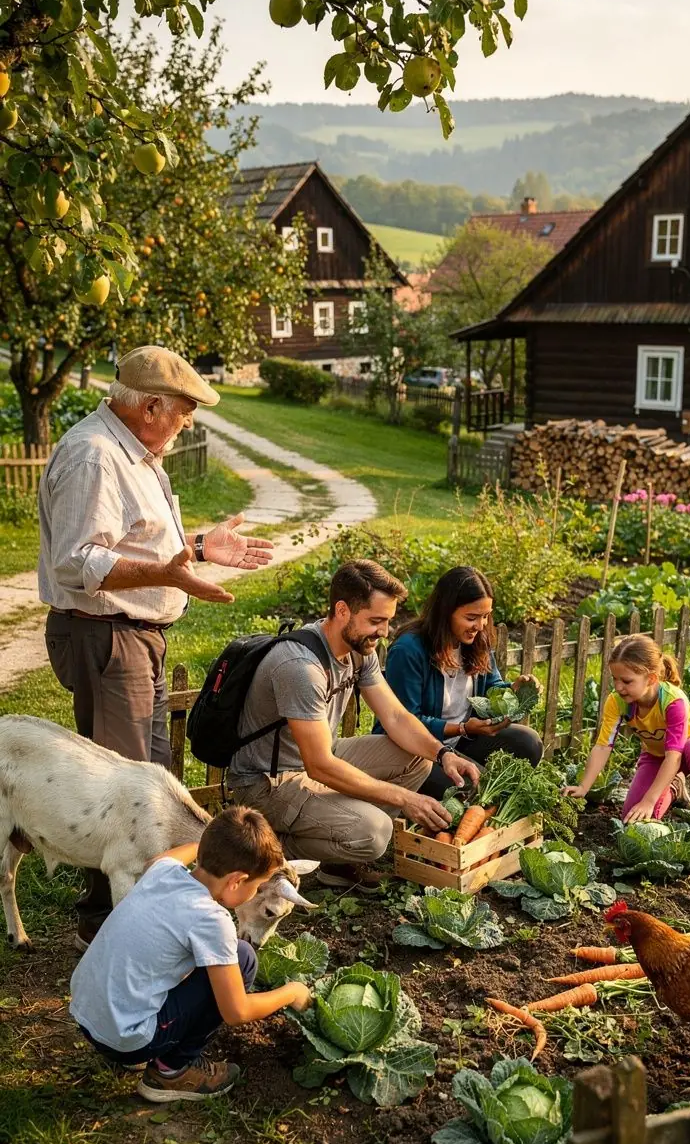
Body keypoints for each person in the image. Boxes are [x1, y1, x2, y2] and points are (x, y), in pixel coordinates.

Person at [38, 345, 279, 947]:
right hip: (107, 635)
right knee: (122, 788)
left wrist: (196, 548)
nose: (189, 422)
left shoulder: (136, 452)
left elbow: (137, 542)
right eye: (185, 410)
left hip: (135, 635)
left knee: (147, 775)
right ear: (150, 406)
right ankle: (108, 925)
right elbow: (80, 562)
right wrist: (170, 574)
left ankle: (141, 902)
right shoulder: (94, 456)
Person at [227, 558, 481, 889]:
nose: (385, 631)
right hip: (267, 783)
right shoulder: (300, 667)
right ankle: (266, 848)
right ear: (343, 611)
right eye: (376, 620)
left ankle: (339, 860)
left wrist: (443, 753)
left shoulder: (359, 649)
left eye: (388, 621)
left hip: (314, 762)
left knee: (417, 757)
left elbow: (395, 716)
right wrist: (403, 799)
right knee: (375, 833)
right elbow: (320, 766)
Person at [69, 806, 311, 1102]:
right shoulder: (212, 920)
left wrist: (213, 844)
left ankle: (134, 1040)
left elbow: (162, 857)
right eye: (257, 885)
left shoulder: (162, 871)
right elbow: (237, 1012)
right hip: (124, 1039)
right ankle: (171, 1071)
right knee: (243, 957)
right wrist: (291, 993)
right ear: (236, 881)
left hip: (85, 1014)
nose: (255, 891)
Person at [378, 565, 542, 799]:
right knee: (471, 787)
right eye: (471, 617)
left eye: (486, 616)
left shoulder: (476, 641)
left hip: (463, 739)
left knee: (529, 744)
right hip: (416, 750)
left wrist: (513, 691)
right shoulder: (409, 651)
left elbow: (491, 686)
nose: (481, 625)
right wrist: (462, 728)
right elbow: (404, 721)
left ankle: (485, 800)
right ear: (446, 612)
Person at [564, 633, 690, 822]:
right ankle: (675, 787)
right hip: (658, 756)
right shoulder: (617, 702)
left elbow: (674, 756)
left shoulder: (673, 701)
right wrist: (584, 787)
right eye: (615, 679)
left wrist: (649, 800)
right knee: (633, 818)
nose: (618, 687)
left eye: (626, 681)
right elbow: (602, 746)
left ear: (651, 678)